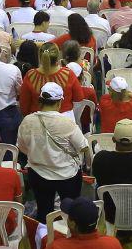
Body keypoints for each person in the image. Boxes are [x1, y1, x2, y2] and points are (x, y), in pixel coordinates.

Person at [17, 81, 90, 215]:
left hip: (38, 174)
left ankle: (46, 234)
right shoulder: (67, 123)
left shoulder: (27, 121)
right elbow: (83, 147)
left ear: (40, 101)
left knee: (44, 212)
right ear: (59, 102)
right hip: (67, 175)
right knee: (71, 212)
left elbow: (22, 148)